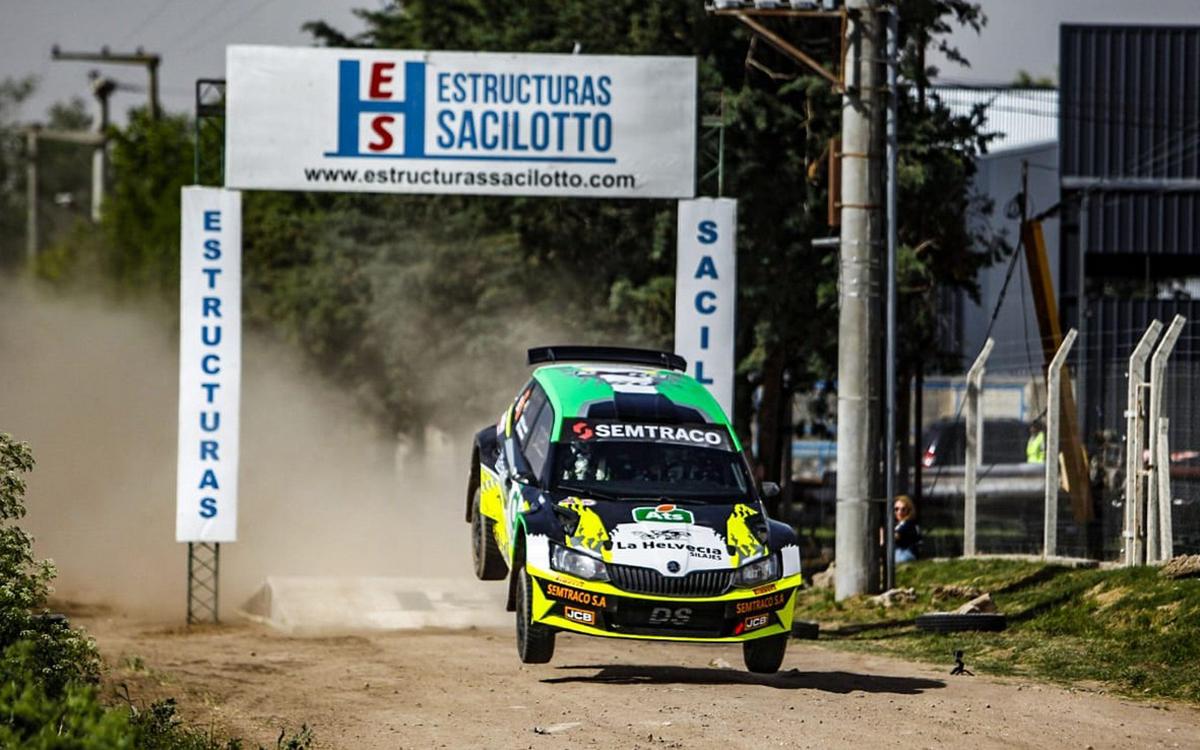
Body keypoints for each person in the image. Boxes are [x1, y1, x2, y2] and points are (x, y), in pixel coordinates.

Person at [893, 495, 921, 564]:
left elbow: (895, 537)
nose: (899, 512)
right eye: (896, 509)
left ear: (909, 510)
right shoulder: (903, 523)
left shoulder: (907, 523)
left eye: (903, 509)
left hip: (904, 554)